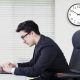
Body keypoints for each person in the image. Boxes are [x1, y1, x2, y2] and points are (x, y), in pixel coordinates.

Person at [2, 20, 69, 80]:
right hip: (48, 77)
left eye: (23, 37)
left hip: (58, 78)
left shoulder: (48, 46)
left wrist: (11, 70)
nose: (23, 41)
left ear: (32, 33)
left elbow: (35, 71)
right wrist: (15, 65)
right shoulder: (40, 43)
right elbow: (32, 63)